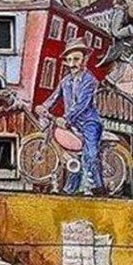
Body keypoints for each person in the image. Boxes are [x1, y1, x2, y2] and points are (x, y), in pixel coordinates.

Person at [37, 39, 105, 195]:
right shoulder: (65, 81)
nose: (72, 63)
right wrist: (44, 107)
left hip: (89, 122)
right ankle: (71, 188)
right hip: (71, 123)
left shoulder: (90, 81)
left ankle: (94, 185)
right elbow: (54, 97)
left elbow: (82, 104)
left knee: (90, 153)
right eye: (69, 60)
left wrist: (66, 118)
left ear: (84, 60)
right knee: (71, 154)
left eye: (76, 59)